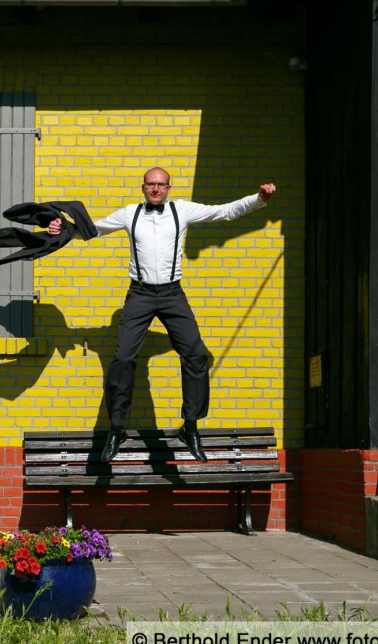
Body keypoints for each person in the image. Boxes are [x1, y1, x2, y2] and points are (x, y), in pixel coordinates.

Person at [48, 167, 276, 462]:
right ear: (143, 187)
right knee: (123, 359)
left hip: (172, 295)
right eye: (150, 184)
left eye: (160, 184)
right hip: (140, 295)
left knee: (195, 355)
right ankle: (117, 428)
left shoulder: (182, 210)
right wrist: (63, 229)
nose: (155, 189)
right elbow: (93, 229)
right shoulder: (129, 214)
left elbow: (225, 212)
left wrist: (258, 199)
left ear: (169, 188)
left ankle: (190, 427)